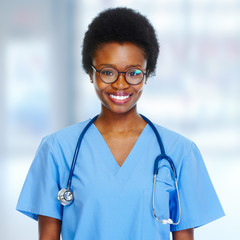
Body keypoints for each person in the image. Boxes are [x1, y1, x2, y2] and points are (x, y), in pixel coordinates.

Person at [16, 7, 224, 240]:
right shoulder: (57, 149)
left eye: (133, 72)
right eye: (108, 72)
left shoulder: (180, 152)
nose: (120, 84)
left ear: (147, 74)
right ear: (90, 73)